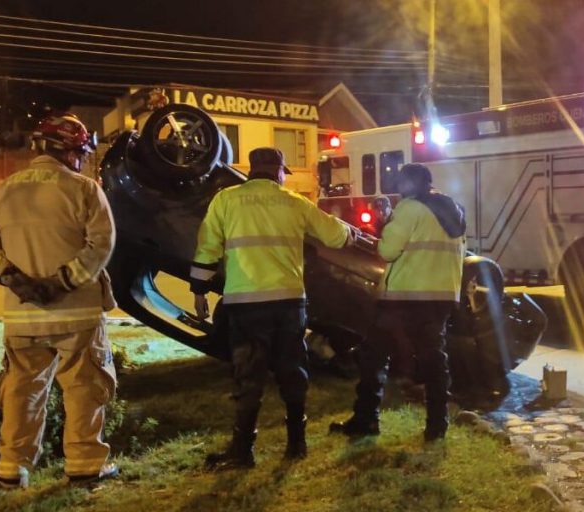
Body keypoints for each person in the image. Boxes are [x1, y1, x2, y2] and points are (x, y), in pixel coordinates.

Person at [0, 113, 119, 489]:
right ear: (68, 151)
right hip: (77, 315)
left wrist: (19, 282)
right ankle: (85, 465)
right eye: (80, 152)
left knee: (22, 391)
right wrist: (64, 280)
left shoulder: (4, 191)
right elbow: (102, 244)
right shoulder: (83, 188)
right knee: (84, 387)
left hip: (22, 318)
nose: (81, 159)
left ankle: (11, 468)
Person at [190, 147, 354, 470]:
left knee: (248, 375)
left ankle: (243, 450)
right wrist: (352, 232)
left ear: (252, 169)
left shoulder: (226, 200)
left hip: (246, 304)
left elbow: (207, 246)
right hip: (289, 304)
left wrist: (198, 289)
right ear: (279, 171)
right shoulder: (294, 202)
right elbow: (335, 235)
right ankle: (296, 443)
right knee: (293, 371)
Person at [330, 163, 466, 442]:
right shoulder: (454, 211)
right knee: (433, 362)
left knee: (373, 357)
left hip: (405, 298)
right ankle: (437, 426)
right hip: (441, 297)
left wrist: (384, 226)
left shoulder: (410, 209)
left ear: (408, 185)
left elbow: (387, 250)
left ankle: (366, 420)